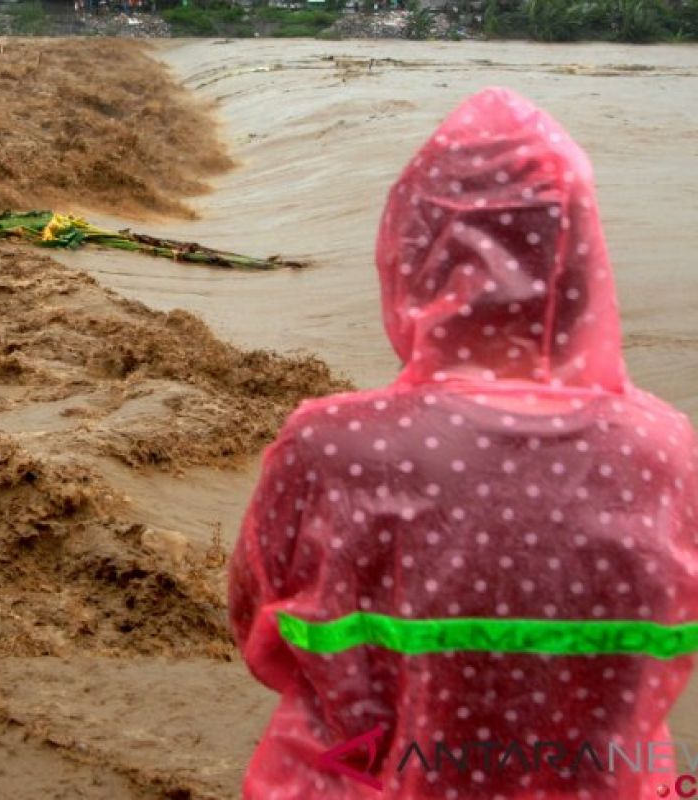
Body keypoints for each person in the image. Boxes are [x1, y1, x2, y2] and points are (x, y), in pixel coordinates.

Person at [229, 86, 698, 799]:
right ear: (579, 256)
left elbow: (259, 633)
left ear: (412, 251)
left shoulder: (329, 446)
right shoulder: (669, 450)